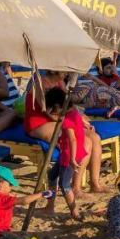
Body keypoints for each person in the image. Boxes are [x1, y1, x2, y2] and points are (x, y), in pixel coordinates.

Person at [42, 86, 87, 220]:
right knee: (52, 176)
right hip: (68, 153)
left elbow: (72, 139)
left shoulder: (67, 120)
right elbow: (80, 125)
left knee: (64, 185)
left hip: (70, 156)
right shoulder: (74, 113)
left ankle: (75, 212)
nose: (52, 112)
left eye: (53, 109)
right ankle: (50, 206)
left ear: (57, 105)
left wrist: (72, 160)